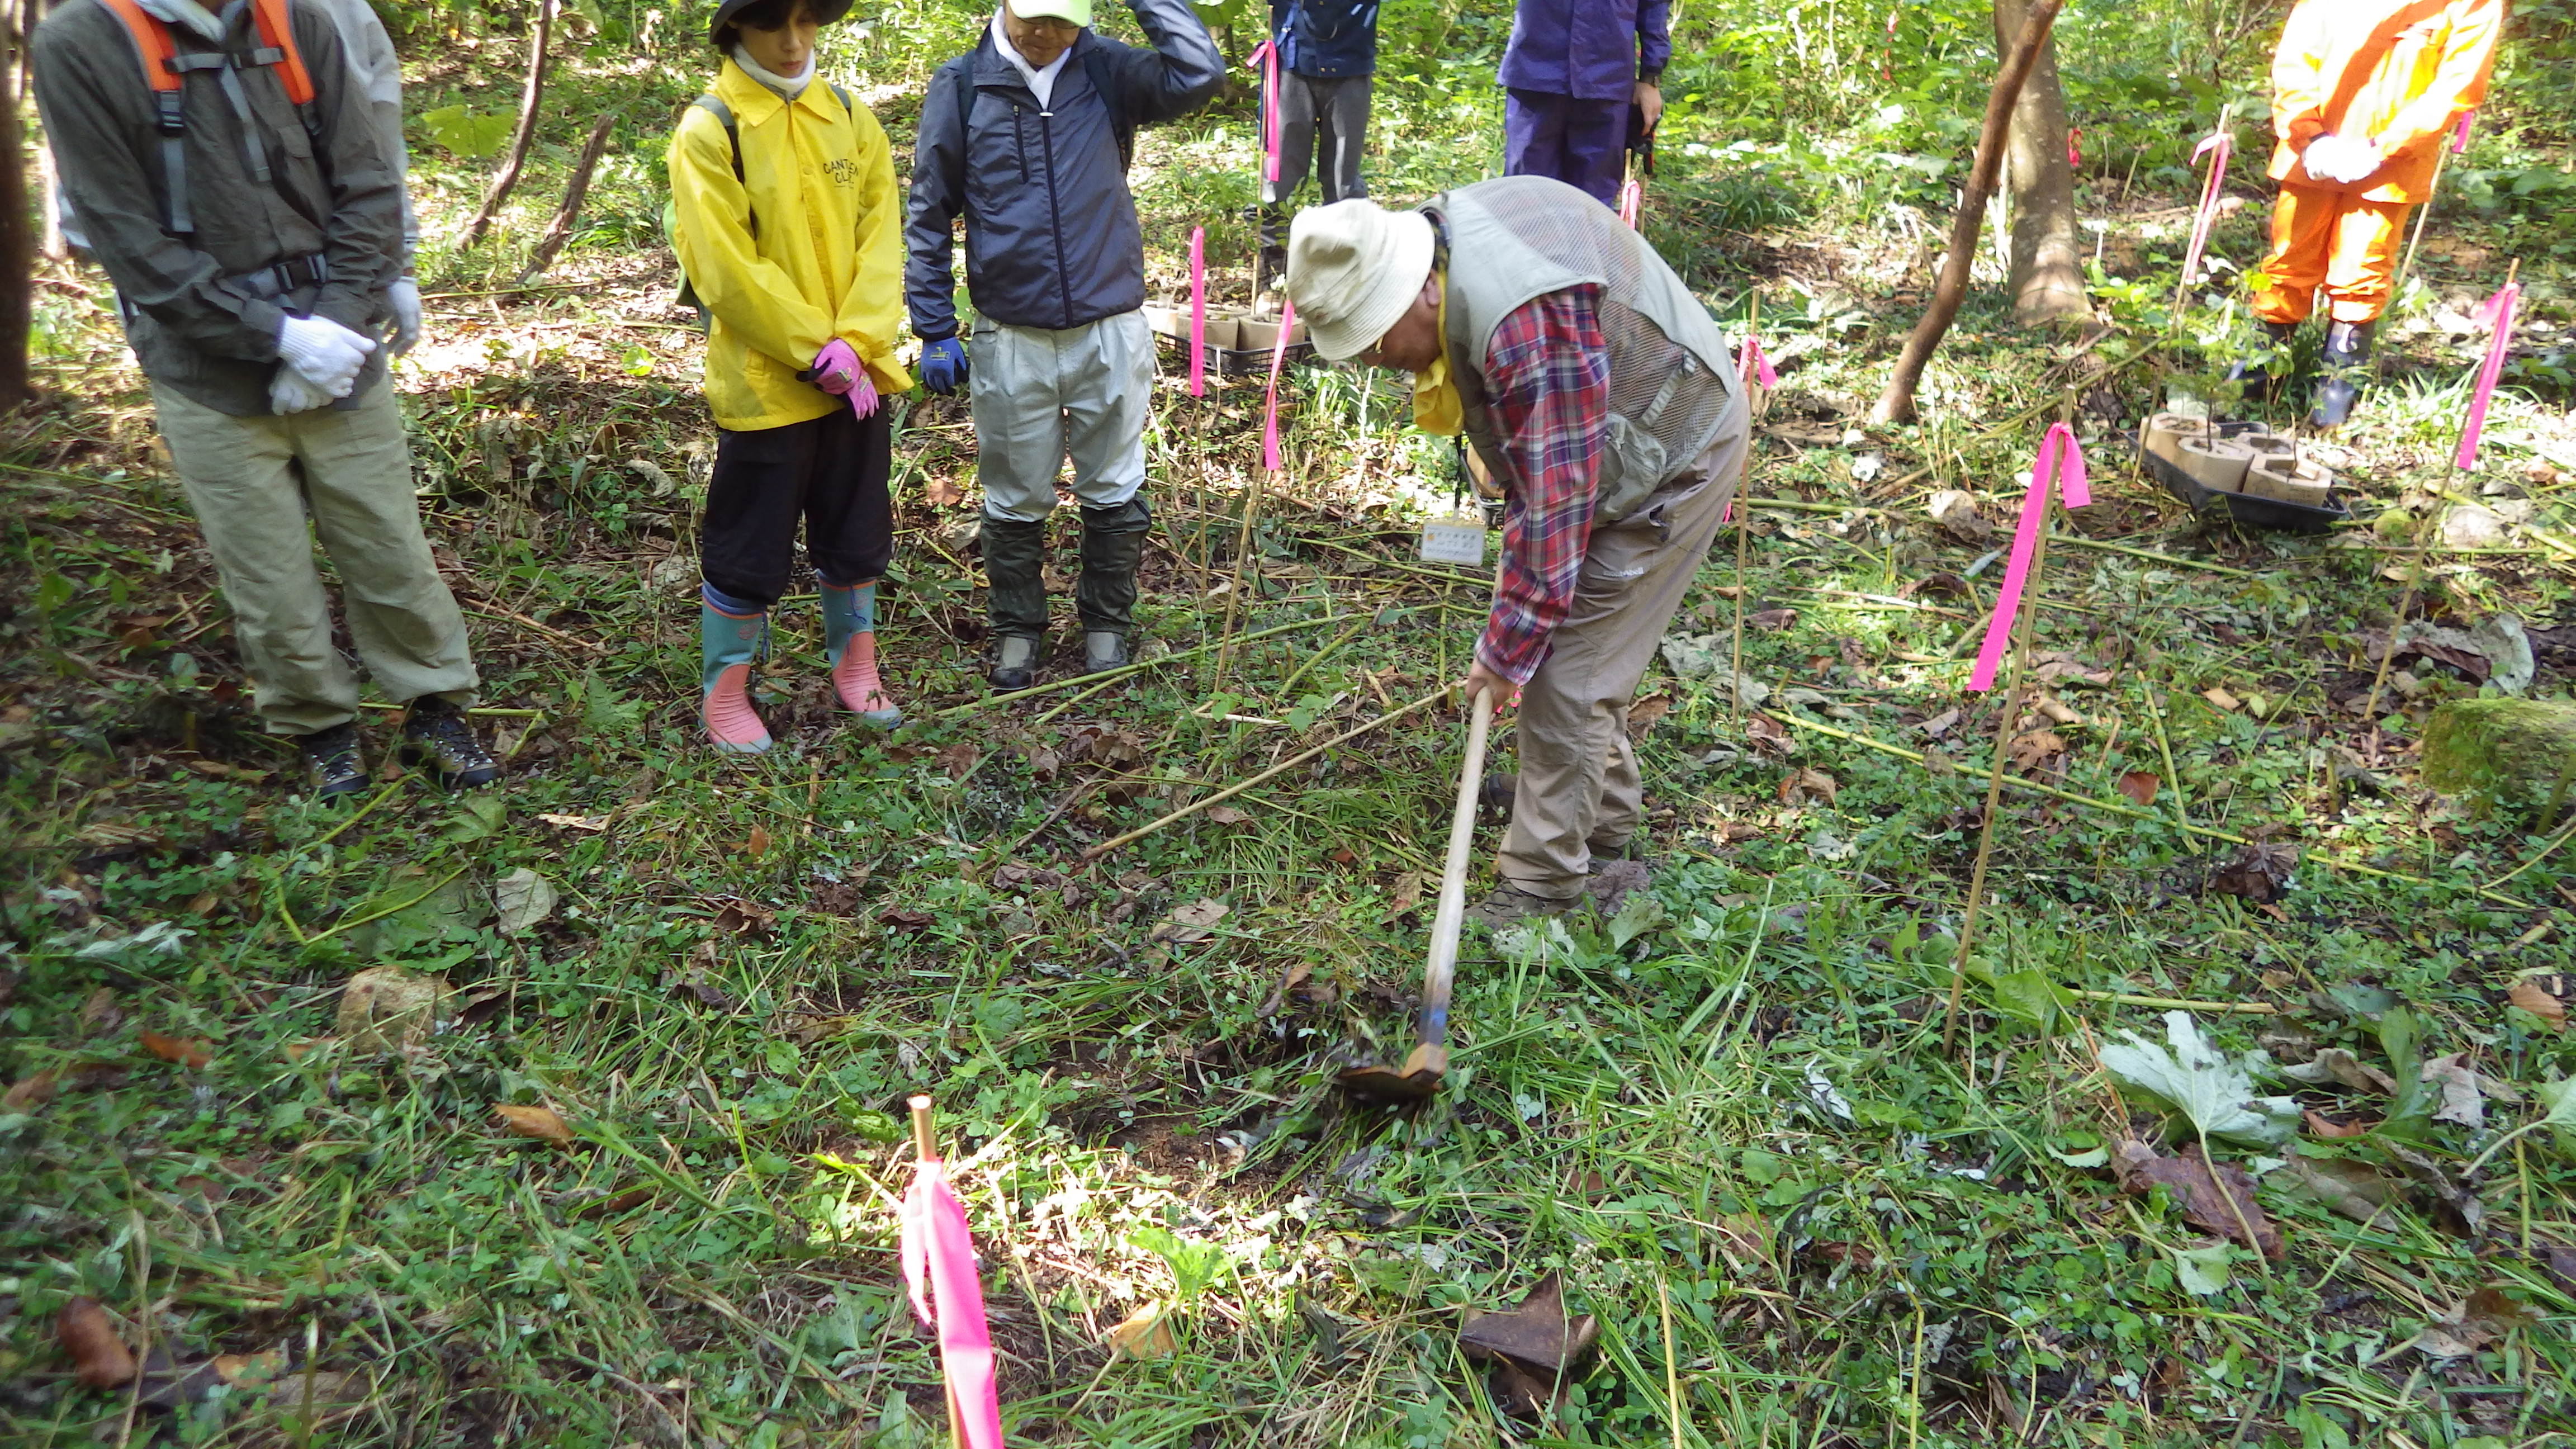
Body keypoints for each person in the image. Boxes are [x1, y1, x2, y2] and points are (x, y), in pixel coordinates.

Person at [34, 0, 494, 797]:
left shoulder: (298, 21)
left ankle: (433, 707)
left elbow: (365, 177)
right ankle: (320, 730)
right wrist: (273, 338)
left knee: (389, 546)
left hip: (340, 342)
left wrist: (339, 325)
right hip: (202, 365)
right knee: (266, 574)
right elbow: (123, 234)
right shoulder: (80, 42)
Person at [1285, 178, 1748, 926]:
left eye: (1375, 339)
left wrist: (1504, 653)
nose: (1375, 360)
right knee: (1575, 653)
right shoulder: (1452, 254)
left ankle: (1542, 885)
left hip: (1673, 450)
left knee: (1570, 669)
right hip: (1608, 440)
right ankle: (1595, 820)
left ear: (1418, 291)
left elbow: (1558, 503)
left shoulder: (1522, 319)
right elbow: (1541, 467)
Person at [905, 0, 1223, 690]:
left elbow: (1199, 74)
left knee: (1114, 484)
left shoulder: (1107, 69)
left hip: (1109, 327)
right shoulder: (963, 84)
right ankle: (1018, 630)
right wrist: (933, 325)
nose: (1047, 36)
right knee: (1014, 496)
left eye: (1063, 21)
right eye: (1035, 20)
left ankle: (1107, 623)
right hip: (1011, 334)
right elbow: (929, 209)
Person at [669, 0, 910, 753]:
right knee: (752, 541)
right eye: (774, 21)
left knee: (856, 527)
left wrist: (859, 344)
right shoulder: (711, 129)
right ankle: (727, 690)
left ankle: (856, 667)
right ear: (736, 27)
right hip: (766, 385)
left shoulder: (849, 115)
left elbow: (883, 234)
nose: (793, 40)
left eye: (808, 20)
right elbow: (722, 264)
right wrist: (814, 349)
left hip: (860, 378)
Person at [2250, 0, 2503, 427]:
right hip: (2310, 153)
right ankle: (2257, 374)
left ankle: (2337, 388)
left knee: (2361, 271)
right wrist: (2308, 136)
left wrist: (2383, 147)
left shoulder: (2471, 5)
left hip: (2390, 165)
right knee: (2288, 261)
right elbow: (2295, 62)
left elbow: (2458, 84)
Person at [1254, 0, 1380, 295]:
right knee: (1278, 180)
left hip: (1351, 62)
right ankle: (1272, 281)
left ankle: (1343, 280)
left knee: (1343, 184)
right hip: (1292, 62)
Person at [1497, 0, 1667, 208]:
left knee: (1593, 203)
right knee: (1526, 195)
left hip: (1607, 80)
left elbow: (1654, 6)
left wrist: (1650, 78)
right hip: (1535, 74)